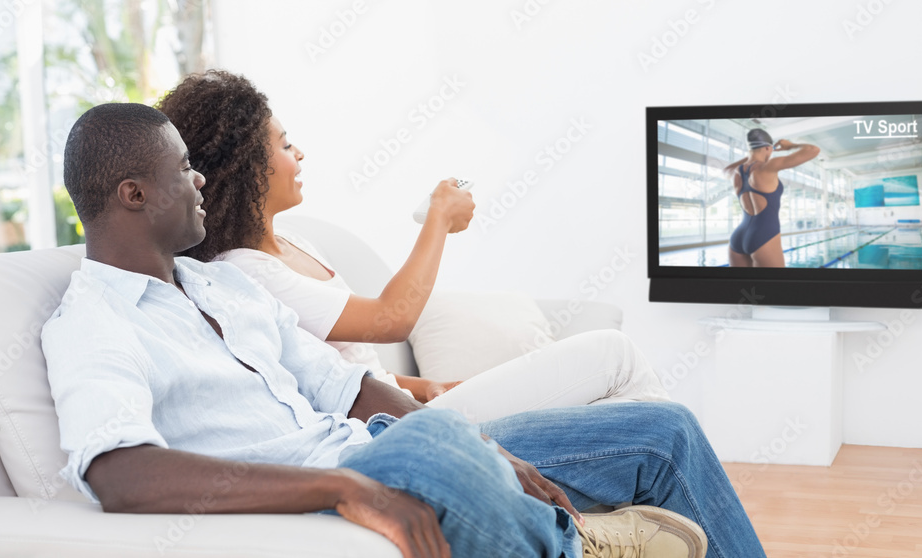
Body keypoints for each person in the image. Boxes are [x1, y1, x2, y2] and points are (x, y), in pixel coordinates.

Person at [42, 102, 769, 557]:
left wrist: (482, 443)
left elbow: (350, 386)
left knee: (661, 431)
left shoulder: (221, 285)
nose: (200, 180)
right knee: (432, 444)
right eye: (183, 169)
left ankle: (530, 503)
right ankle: (575, 546)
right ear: (133, 193)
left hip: (386, 445)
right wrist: (343, 485)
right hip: (342, 470)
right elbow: (120, 473)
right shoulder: (93, 323)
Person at [155, 70, 669, 422]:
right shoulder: (245, 272)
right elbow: (389, 320)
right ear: (246, 166)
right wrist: (438, 222)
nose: (301, 153)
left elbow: (354, 367)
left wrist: (427, 387)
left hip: (411, 406)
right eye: (286, 145)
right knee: (612, 355)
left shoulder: (294, 241)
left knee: (613, 389)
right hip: (392, 432)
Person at [724, 128, 820, 268]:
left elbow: (725, 169)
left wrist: (752, 154)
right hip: (764, 235)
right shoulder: (768, 167)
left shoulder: (734, 172)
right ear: (768, 148)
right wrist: (790, 146)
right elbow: (813, 149)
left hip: (738, 237)